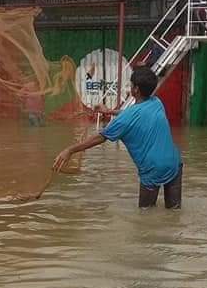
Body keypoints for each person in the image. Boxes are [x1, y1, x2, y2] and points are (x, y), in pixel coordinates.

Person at [53, 65, 182, 209]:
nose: (130, 87)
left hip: (152, 169)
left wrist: (70, 150)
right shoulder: (157, 103)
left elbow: (100, 137)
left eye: (131, 85)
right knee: (174, 212)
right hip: (174, 162)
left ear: (136, 89)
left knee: (146, 216)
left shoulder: (125, 119)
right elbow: (135, 113)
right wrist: (109, 112)